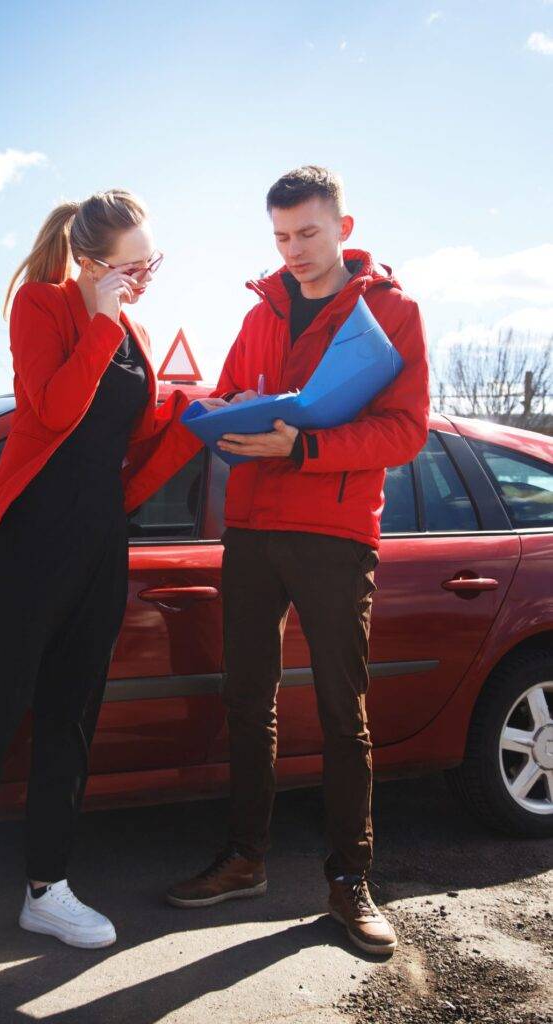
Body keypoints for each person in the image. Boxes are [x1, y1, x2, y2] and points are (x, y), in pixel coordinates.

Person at [0, 190, 202, 990]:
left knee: (70, 724)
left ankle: (47, 889)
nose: (143, 279)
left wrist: (202, 415)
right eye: (130, 266)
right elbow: (51, 408)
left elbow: (132, 444)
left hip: (98, 551)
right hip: (26, 546)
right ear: (88, 261)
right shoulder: (43, 307)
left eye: (152, 263)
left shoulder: (136, 332)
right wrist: (103, 317)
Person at [166, 166, 430, 957]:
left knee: (342, 713)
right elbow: (228, 391)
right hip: (248, 527)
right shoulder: (259, 311)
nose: (294, 251)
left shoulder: (393, 311)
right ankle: (244, 858)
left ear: (343, 229)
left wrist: (304, 443)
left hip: (335, 532)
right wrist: (218, 412)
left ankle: (350, 883)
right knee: (246, 699)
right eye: (280, 238)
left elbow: (406, 431)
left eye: (308, 234)